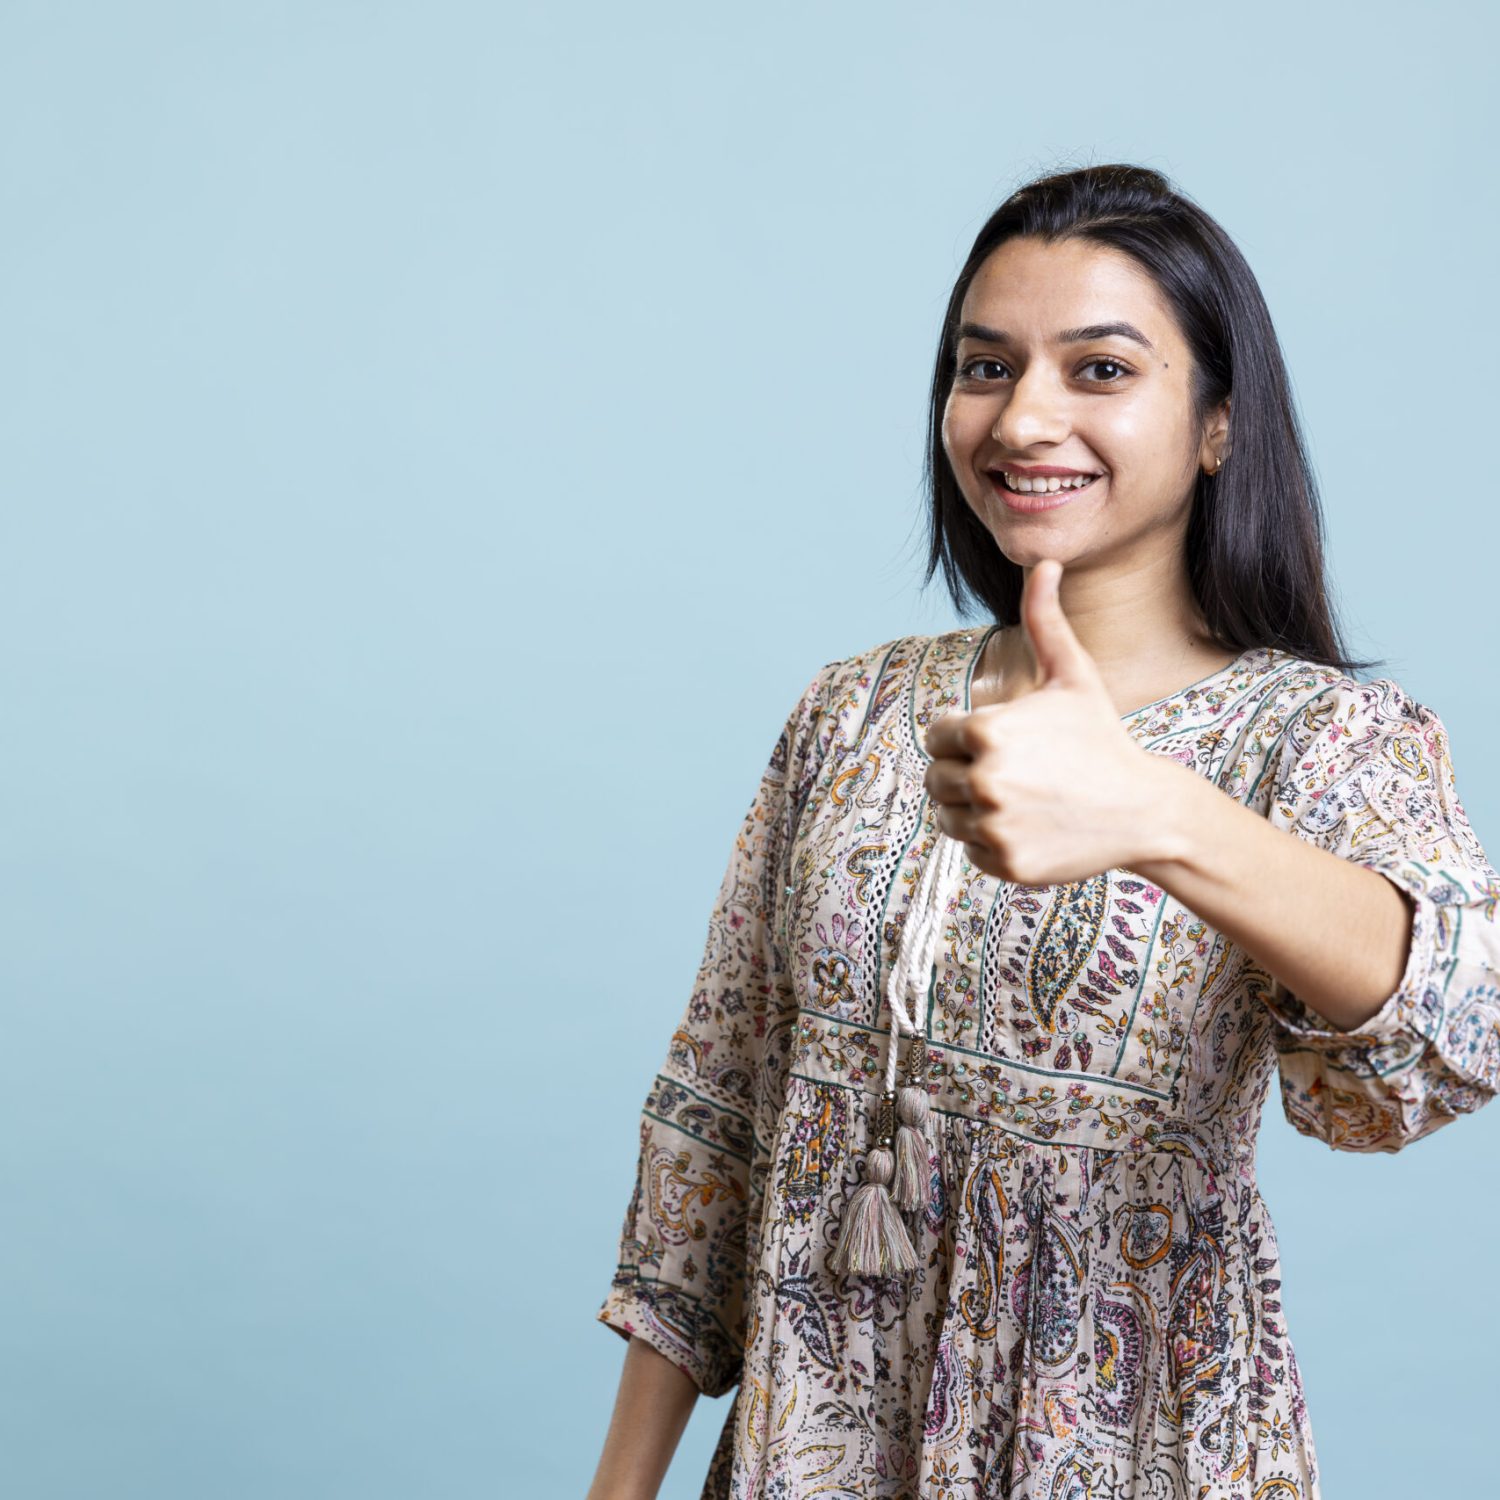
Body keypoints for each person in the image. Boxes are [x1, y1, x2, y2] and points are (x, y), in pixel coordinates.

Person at [584, 162, 1500, 1500]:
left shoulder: (1317, 742)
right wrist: (620, 1486)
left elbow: (1451, 1025)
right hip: (816, 1452)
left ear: (1218, 428)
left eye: (1102, 371)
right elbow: (720, 1115)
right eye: (985, 367)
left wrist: (1159, 813)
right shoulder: (855, 711)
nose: (1025, 419)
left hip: (1127, 1448)